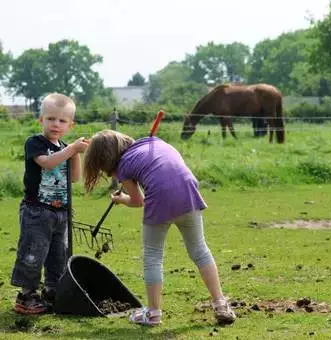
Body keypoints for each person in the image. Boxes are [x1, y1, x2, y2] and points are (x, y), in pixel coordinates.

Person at [82, 130, 236, 326]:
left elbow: (138, 201)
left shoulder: (123, 166)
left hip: (161, 198)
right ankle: (220, 304)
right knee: (199, 249)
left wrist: (122, 199)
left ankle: (153, 313)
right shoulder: (154, 142)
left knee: (153, 255)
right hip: (189, 192)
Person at [11, 93, 89, 314]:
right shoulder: (35, 143)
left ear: (70, 125)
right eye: (51, 118)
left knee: (58, 254)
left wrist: (76, 154)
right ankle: (26, 295)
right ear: (41, 120)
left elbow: (74, 178)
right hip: (37, 210)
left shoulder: (66, 147)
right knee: (33, 251)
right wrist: (71, 150)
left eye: (62, 121)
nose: (56, 124)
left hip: (60, 212)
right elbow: (47, 163)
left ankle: (52, 290)